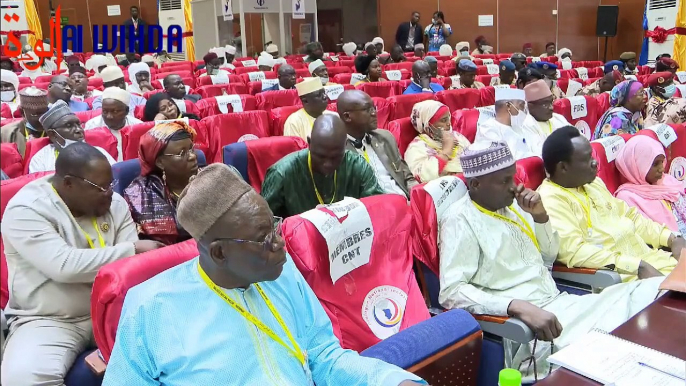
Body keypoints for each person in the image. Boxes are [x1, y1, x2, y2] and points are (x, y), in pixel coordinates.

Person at [102, 162, 425, 386]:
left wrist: (390, 379)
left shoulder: (282, 274)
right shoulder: (151, 307)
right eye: (263, 237)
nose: (280, 243)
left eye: (274, 225)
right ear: (219, 252)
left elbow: (323, 357)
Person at [439, 140, 667, 383]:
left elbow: (548, 258)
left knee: (653, 289)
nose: (514, 187)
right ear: (475, 184)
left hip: (560, 304)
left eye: (514, 177)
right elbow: (451, 292)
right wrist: (517, 306)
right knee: (620, 346)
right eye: (504, 181)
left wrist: (540, 216)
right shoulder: (460, 220)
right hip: (528, 329)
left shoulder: (513, 208)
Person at [1, 142, 163, 386]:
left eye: (111, 184)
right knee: (22, 379)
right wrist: (132, 249)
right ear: (68, 184)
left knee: (182, 342)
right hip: (51, 319)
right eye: (101, 187)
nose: (111, 193)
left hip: (116, 309)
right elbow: (64, 266)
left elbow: (129, 272)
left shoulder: (113, 203)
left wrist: (132, 256)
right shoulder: (26, 209)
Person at [539, 126, 682, 281]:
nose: (595, 163)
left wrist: (671, 238)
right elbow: (574, 251)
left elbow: (631, 217)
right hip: (624, 279)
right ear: (563, 167)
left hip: (653, 261)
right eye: (587, 159)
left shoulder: (593, 184)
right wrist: (636, 266)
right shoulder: (551, 199)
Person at [263, 114, 384, 217]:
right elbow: (263, 223)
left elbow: (377, 207)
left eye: (336, 157)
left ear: (345, 145)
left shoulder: (357, 165)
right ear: (309, 143)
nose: (327, 164)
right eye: (320, 156)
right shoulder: (282, 173)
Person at [123, 122, 199, 245]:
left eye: (191, 148)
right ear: (160, 163)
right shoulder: (141, 194)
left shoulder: (211, 176)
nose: (192, 156)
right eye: (182, 153)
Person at [339, 90, 417, 198]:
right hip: (374, 209)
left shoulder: (385, 137)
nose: (374, 113)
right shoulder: (338, 152)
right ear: (347, 116)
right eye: (367, 109)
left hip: (405, 203)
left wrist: (419, 197)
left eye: (374, 108)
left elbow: (407, 178)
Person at [615, 135, 686, 235]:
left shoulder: (667, 181)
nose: (661, 169)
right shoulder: (627, 198)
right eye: (655, 164)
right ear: (637, 165)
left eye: (662, 162)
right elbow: (645, 233)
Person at [29, 100, 116, 173]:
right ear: (53, 134)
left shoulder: (99, 152)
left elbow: (116, 179)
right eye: (69, 126)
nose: (79, 130)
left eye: (79, 124)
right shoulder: (41, 160)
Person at [404, 100, 470, 182]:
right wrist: (446, 151)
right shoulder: (416, 147)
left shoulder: (456, 136)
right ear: (427, 124)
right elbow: (423, 177)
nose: (449, 123)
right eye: (443, 120)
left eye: (448, 118)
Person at [475, 88, 542, 160]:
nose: (524, 111)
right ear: (508, 106)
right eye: (521, 106)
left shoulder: (522, 126)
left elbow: (539, 147)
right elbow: (505, 160)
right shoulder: (487, 130)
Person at [85, 87, 144, 161]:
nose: (109, 116)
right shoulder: (92, 126)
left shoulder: (138, 126)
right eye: (105, 111)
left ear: (126, 111)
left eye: (115, 111)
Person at [1, 87, 49, 157]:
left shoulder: (56, 132)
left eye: (45, 113)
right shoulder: (5, 133)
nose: (41, 118)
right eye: (35, 114)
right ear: (22, 112)